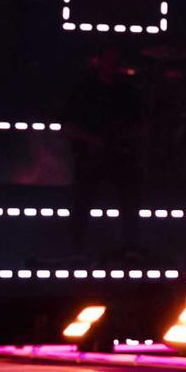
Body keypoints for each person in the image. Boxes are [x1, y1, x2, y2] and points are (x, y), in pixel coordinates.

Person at [59, 45, 147, 257]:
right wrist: (92, 139)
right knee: (82, 199)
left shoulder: (126, 92)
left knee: (130, 197)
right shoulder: (84, 90)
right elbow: (68, 126)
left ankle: (130, 246)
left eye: (114, 59)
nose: (111, 64)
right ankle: (77, 246)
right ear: (99, 61)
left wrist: (121, 137)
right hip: (91, 153)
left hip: (118, 152)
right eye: (108, 59)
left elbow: (143, 125)